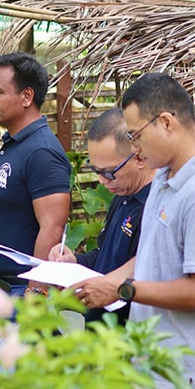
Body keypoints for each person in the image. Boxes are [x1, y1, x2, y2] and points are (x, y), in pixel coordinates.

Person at [71, 73, 195, 389]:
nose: (134, 147)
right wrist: (95, 283)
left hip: (177, 377)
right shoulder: (165, 177)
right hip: (152, 365)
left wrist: (122, 290)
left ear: (166, 123)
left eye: (135, 135)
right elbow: (148, 254)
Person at [0, 52, 71, 310]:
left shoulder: (42, 152)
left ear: (26, 96)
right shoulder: (15, 144)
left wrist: (36, 291)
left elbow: (53, 228)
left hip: (18, 295)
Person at [48, 108, 155, 325]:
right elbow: (104, 255)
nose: (102, 180)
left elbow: (150, 274)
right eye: (95, 170)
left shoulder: (154, 208)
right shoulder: (123, 195)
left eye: (108, 172)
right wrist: (75, 261)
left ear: (139, 157)